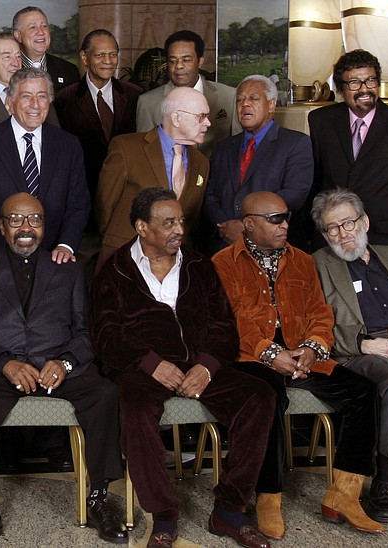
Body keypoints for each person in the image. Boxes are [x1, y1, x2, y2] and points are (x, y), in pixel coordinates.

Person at [91, 187, 275, 548]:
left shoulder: (198, 265)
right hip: (142, 370)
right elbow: (105, 334)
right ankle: (163, 515)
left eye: (181, 221)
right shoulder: (113, 269)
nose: (179, 229)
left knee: (260, 396)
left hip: (197, 365)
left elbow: (225, 327)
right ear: (142, 227)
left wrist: (206, 367)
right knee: (136, 407)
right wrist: (151, 364)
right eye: (168, 223)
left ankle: (230, 510)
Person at [0, 192, 127, 548]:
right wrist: (4, 363)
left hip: (57, 369)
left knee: (105, 393)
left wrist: (64, 361)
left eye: (34, 220)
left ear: (45, 226)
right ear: (1, 227)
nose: (26, 228)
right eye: (16, 219)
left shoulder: (69, 269)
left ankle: (98, 497)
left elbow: (86, 333)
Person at [212, 191, 382, 540]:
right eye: (275, 219)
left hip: (303, 357)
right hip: (250, 358)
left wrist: (311, 348)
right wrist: (270, 354)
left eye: (286, 217)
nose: (285, 225)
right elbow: (228, 322)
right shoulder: (223, 263)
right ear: (249, 224)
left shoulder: (303, 261)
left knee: (364, 391)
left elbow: (321, 312)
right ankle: (268, 497)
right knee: (267, 395)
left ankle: (344, 495)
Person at [312, 188, 388, 522]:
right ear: (324, 233)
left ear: (364, 222)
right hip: (361, 350)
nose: (343, 234)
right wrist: (364, 342)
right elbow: (314, 323)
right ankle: (387, 480)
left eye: (348, 223)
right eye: (332, 228)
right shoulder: (317, 265)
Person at [0, 68, 90, 267]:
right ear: (9, 101)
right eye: (26, 96)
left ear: (49, 101)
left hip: (53, 261)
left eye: (42, 96)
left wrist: (66, 245)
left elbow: (78, 204)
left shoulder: (68, 145)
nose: (35, 105)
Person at [308, 49, 388, 252]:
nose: (364, 89)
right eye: (354, 83)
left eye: (370, 81)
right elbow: (314, 185)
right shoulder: (320, 121)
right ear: (341, 89)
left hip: (383, 240)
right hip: (331, 239)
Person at [96, 87, 209, 264]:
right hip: (123, 258)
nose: (208, 123)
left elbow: (192, 219)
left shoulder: (201, 162)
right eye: (201, 116)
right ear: (177, 118)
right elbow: (104, 204)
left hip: (175, 264)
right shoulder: (126, 147)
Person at [203, 75, 313, 252]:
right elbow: (210, 195)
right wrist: (226, 227)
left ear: (271, 104)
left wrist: (246, 226)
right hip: (225, 247)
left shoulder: (296, 144)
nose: (245, 104)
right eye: (239, 100)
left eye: (253, 98)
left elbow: (294, 194)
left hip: (274, 249)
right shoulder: (223, 148)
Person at [53, 29, 142, 223]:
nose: (108, 61)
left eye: (112, 55)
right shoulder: (63, 100)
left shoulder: (136, 96)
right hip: (83, 197)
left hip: (126, 198)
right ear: (84, 57)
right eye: (100, 55)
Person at [136, 30, 239, 158]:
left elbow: (238, 147)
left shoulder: (229, 96)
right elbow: (144, 155)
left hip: (218, 176)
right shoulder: (147, 102)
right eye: (173, 60)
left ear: (200, 61)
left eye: (186, 60)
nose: (178, 66)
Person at [0, 6, 79, 94]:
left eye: (44, 26)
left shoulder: (69, 70)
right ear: (18, 36)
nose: (41, 32)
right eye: (32, 27)